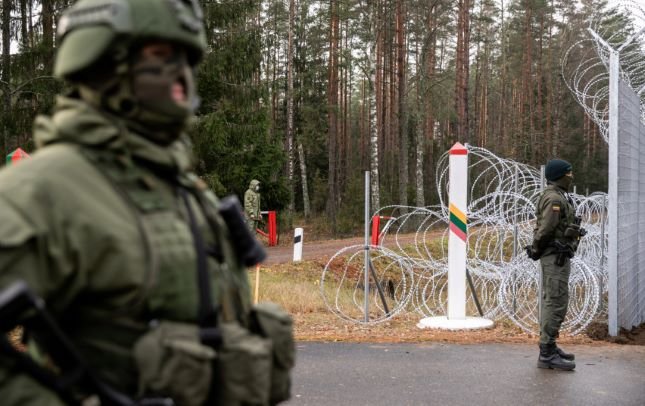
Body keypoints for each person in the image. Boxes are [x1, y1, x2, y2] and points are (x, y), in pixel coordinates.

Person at [0, 0, 293, 405]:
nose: (182, 77)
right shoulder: (41, 192)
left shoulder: (186, 192)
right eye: (160, 55)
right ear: (103, 63)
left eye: (188, 60)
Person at [526, 159, 584, 371]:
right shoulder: (554, 199)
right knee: (555, 301)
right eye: (569, 173)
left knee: (557, 299)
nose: (572, 176)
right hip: (554, 256)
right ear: (561, 175)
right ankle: (546, 353)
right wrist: (536, 248)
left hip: (558, 255)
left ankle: (550, 345)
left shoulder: (560, 196)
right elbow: (545, 230)